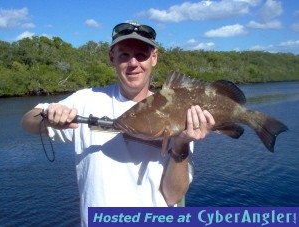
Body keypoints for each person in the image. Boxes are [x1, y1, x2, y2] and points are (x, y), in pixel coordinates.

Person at [21, 21, 215, 226]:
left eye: (141, 55)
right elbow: (27, 121)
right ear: (111, 58)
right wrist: (49, 116)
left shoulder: (179, 113)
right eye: (124, 55)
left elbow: (172, 196)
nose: (133, 63)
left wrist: (181, 144)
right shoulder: (85, 100)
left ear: (154, 58)